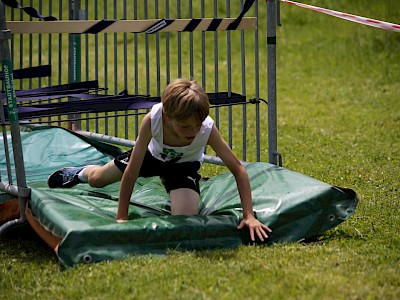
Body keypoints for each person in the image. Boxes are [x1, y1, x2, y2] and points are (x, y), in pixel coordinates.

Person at [48, 78, 272, 242]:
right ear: (167, 115)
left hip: (183, 167)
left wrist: (249, 215)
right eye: (185, 126)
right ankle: (80, 172)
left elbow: (238, 170)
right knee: (98, 179)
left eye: (197, 124)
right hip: (150, 158)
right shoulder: (153, 120)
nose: (193, 131)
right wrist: (121, 220)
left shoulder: (206, 128)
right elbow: (132, 171)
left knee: (184, 218)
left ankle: (178, 188)